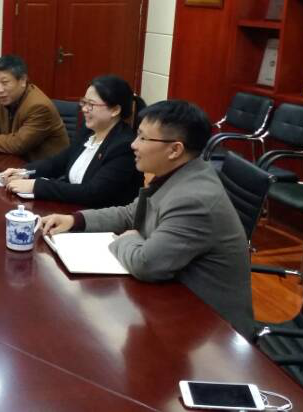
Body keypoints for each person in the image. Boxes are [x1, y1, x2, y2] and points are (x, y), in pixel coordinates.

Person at [38, 100, 253, 337]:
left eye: (142, 138)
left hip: (211, 329)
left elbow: (146, 263)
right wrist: (75, 220)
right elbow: (130, 213)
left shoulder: (194, 199)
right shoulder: (178, 173)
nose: (133, 144)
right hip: (172, 301)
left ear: (175, 150)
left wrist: (126, 239)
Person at [1, 74, 144, 208]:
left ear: (115, 110)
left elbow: (93, 193)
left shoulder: (124, 146)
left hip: (101, 219)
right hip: (71, 209)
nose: (84, 109)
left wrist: (36, 186)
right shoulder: (88, 132)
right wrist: (24, 172)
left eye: (91, 104)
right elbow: (57, 163)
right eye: (84, 102)